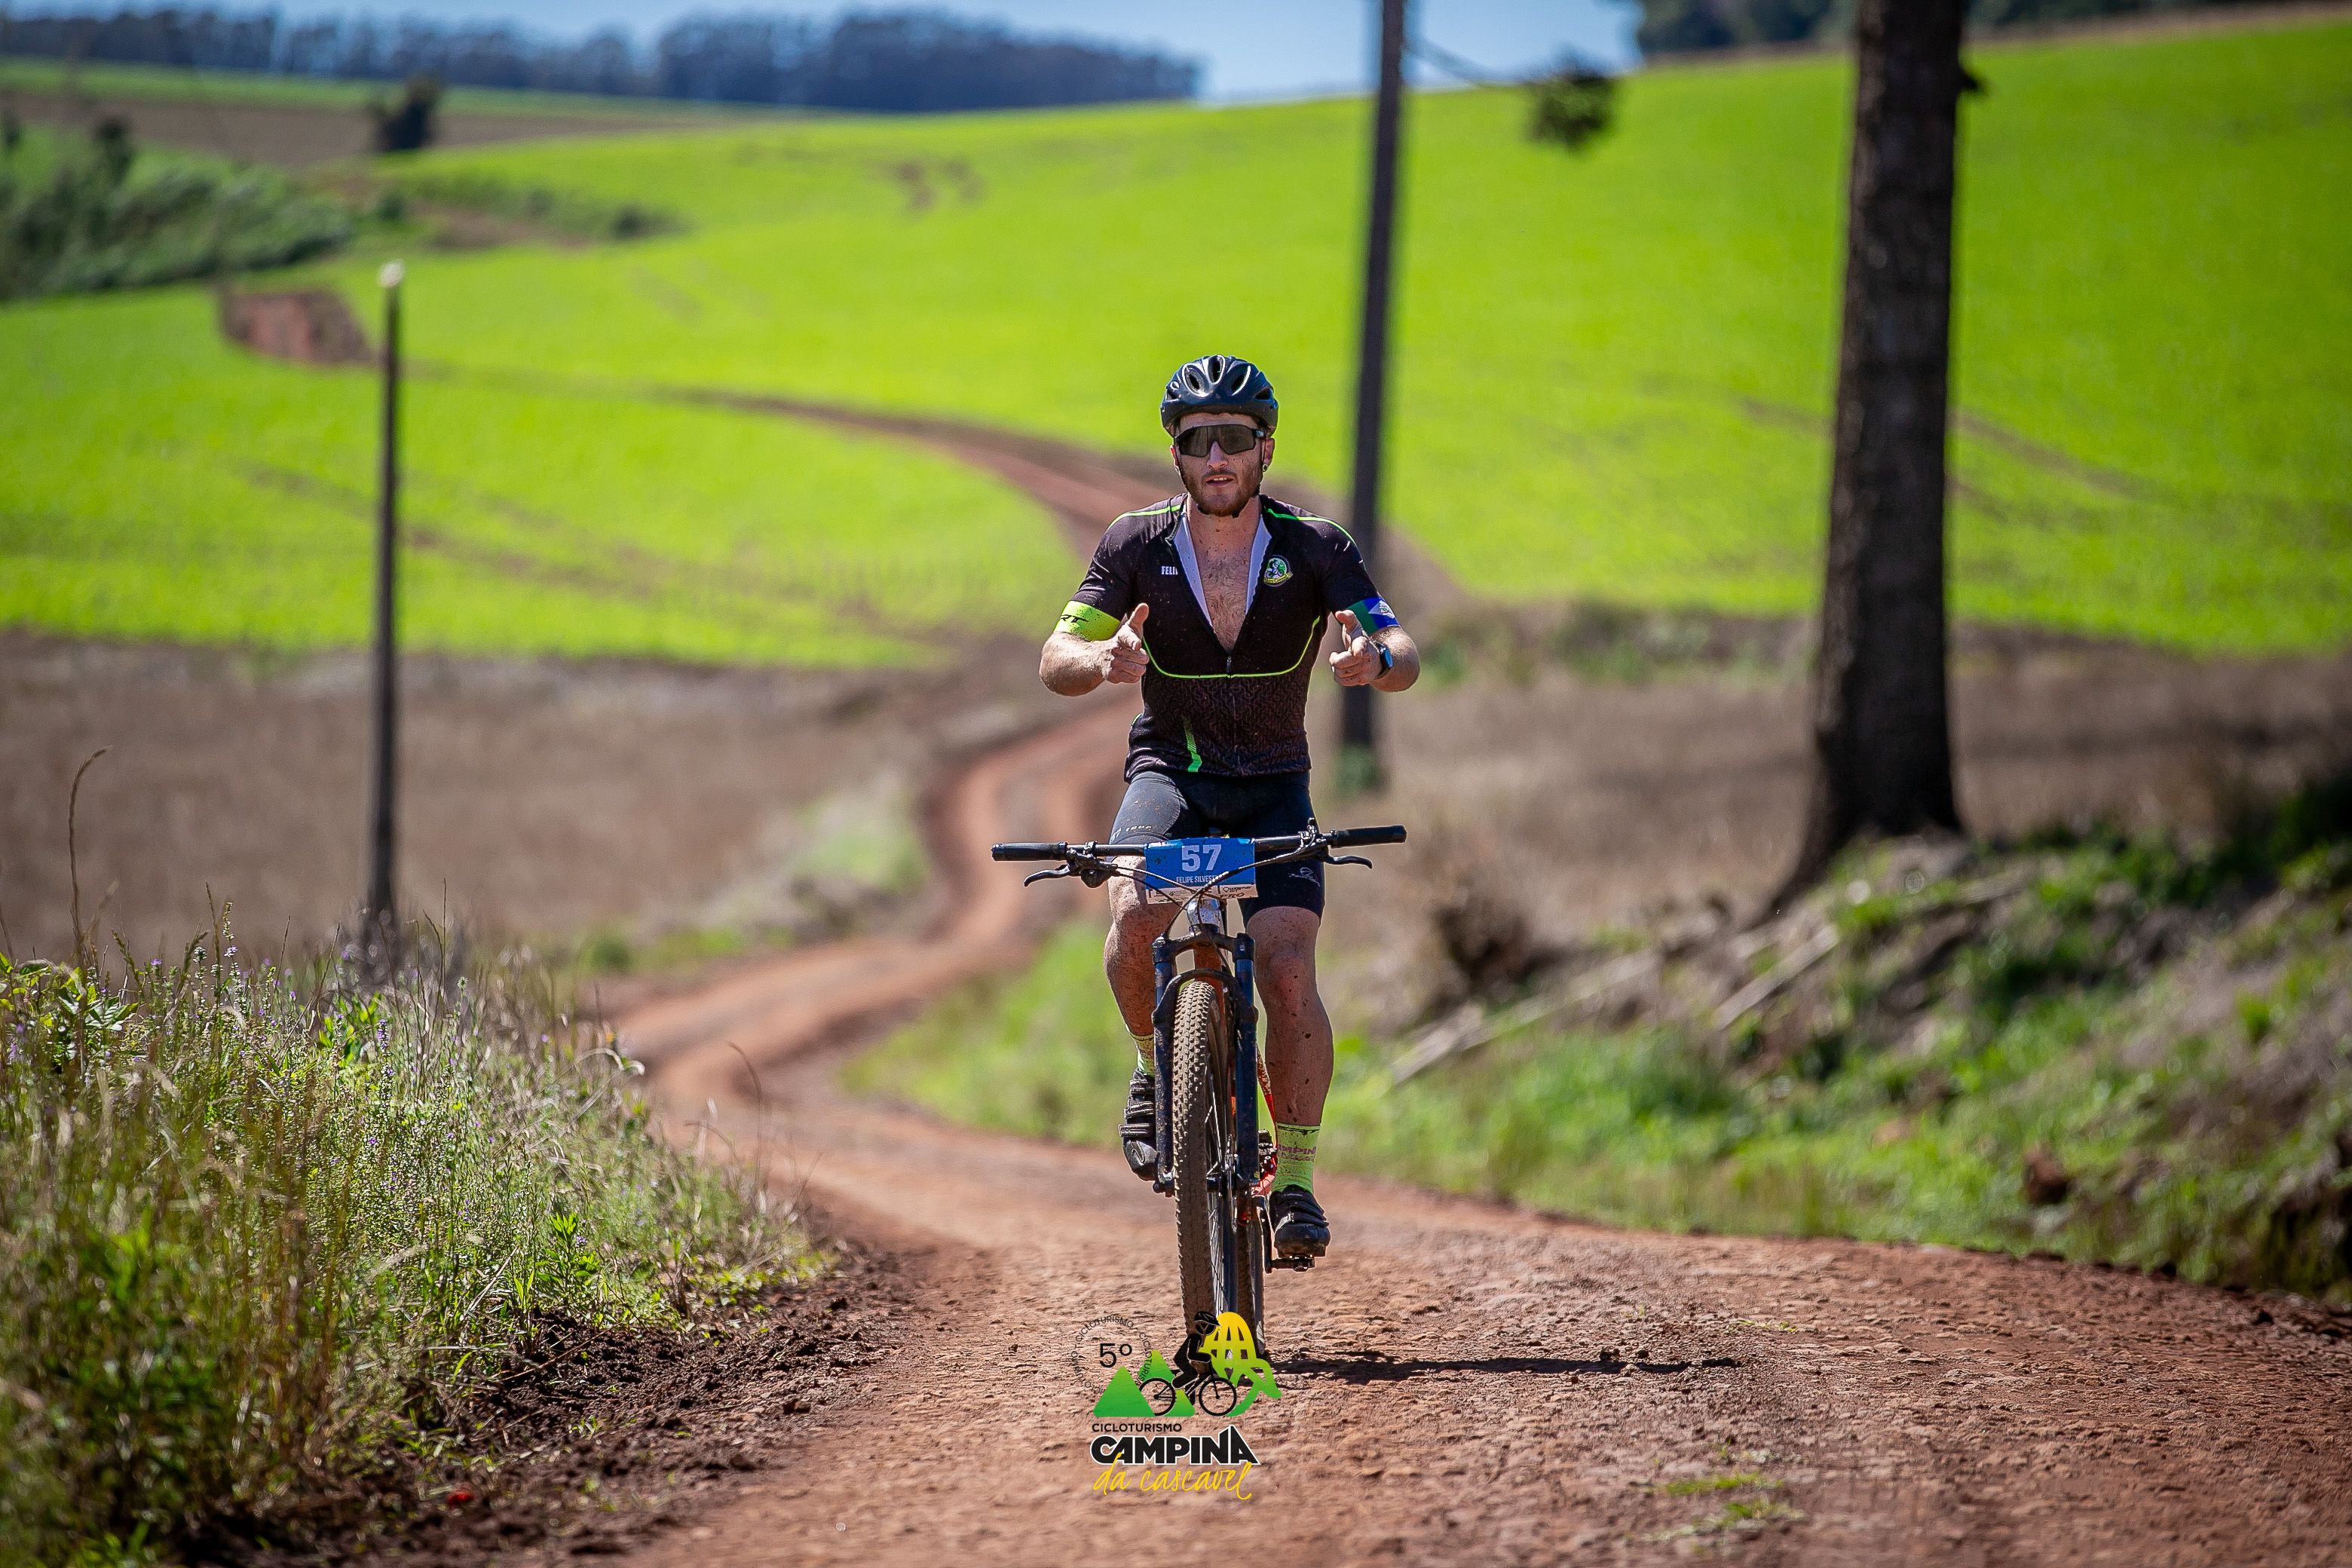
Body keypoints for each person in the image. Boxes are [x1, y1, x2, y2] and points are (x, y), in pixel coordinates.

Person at [1037, 354, 1419, 1259]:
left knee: (1286, 967)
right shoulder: (1134, 544)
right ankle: (1150, 1068)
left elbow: (1399, 643)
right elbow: (1056, 655)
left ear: (1265, 449)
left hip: (1276, 782)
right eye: (1199, 439)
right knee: (1134, 916)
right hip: (1171, 775)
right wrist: (1098, 661)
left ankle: (1297, 1182)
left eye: (1235, 439)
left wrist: (1376, 661)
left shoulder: (1316, 546)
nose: (1217, 456)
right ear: (1176, 452)